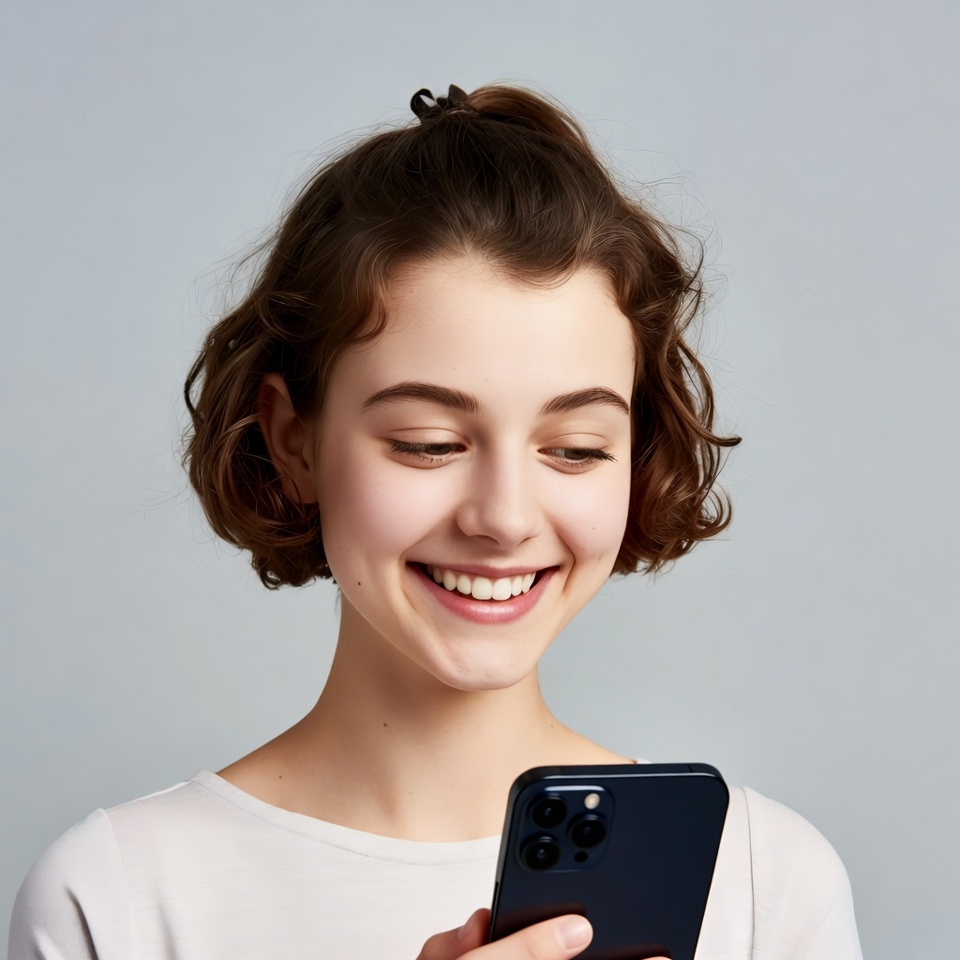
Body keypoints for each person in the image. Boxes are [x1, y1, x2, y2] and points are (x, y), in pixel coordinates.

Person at [8, 83, 862, 960]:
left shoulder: (764, 886)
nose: (504, 518)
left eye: (575, 448)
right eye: (428, 443)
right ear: (293, 442)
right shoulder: (113, 900)